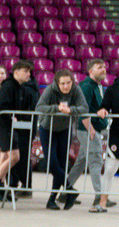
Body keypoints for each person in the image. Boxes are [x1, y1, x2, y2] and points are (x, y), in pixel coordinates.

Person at [35, 69, 88, 210]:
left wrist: (71, 110)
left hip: (64, 129)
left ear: (72, 82)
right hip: (47, 128)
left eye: (68, 83)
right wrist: (56, 108)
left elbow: (84, 108)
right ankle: (70, 190)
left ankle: (52, 199)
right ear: (57, 83)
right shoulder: (50, 90)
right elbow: (39, 107)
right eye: (62, 83)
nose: (65, 86)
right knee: (52, 163)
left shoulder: (76, 90)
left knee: (62, 164)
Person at [0, 60, 39, 202]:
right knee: (15, 156)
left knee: (5, 155)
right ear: (16, 72)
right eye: (26, 71)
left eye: (29, 71)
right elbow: (2, 106)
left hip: (7, 124)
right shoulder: (10, 85)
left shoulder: (17, 86)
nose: (29, 74)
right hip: (4, 124)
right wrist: (11, 116)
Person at [68, 59, 109, 210]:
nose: (104, 69)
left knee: (81, 161)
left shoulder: (98, 86)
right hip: (87, 129)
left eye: (104, 67)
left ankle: (65, 190)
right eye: (100, 67)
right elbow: (82, 110)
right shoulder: (86, 86)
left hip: (91, 129)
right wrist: (91, 129)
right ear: (91, 71)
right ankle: (99, 196)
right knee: (96, 159)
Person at [94, 77, 119, 212]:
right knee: (109, 169)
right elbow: (104, 106)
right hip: (117, 133)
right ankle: (102, 203)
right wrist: (102, 110)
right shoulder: (112, 89)